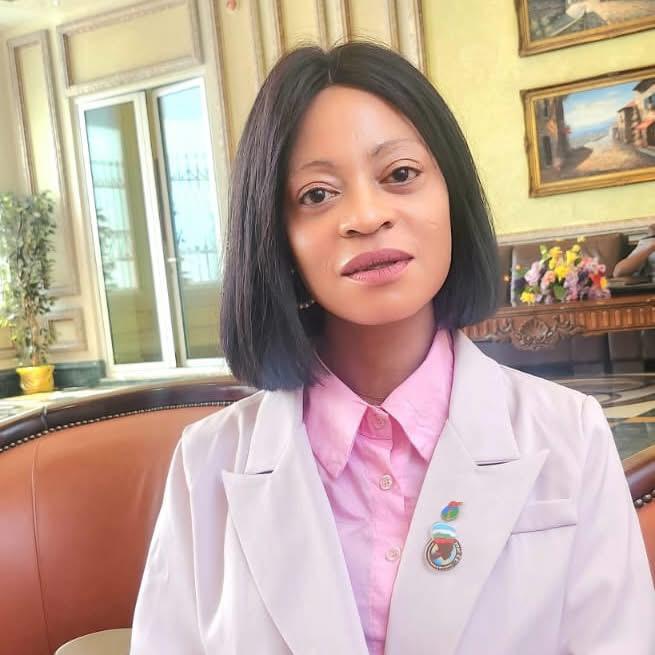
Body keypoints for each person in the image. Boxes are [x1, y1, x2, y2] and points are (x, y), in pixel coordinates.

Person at [129, 42, 654, 655]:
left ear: (452, 195)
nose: (366, 215)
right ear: (276, 237)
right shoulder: (207, 463)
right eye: (317, 194)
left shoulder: (570, 434)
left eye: (400, 174)